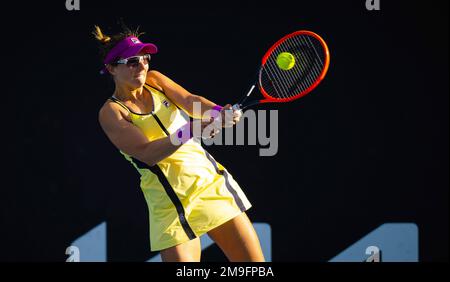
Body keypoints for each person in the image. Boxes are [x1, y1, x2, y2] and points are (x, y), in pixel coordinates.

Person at [94, 25, 265, 262]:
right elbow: (147, 153)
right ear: (111, 68)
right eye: (132, 61)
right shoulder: (111, 113)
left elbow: (190, 100)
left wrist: (217, 112)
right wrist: (192, 128)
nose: (142, 65)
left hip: (208, 184)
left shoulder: (155, 80)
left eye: (145, 58)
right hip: (168, 204)